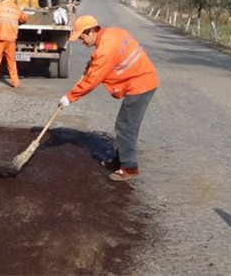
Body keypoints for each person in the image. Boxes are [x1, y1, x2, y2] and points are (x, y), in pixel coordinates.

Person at [59, 15, 159, 181]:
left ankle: (130, 168)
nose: (81, 41)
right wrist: (93, 61)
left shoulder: (105, 51)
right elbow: (107, 57)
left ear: (91, 31)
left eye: (82, 36)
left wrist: (70, 97)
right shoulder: (112, 33)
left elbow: (92, 80)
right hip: (142, 78)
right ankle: (120, 161)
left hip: (141, 84)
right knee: (125, 124)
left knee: (126, 126)